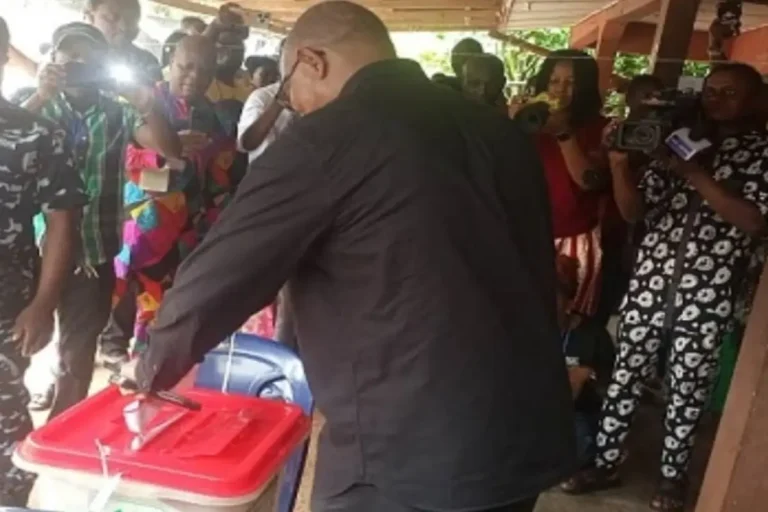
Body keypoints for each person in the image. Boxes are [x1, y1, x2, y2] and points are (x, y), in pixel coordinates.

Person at [131, 2, 577, 511]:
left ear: (311, 61)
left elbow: (222, 272)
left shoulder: (327, 139)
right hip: (524, 437)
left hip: (409, 452)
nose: (293, 105)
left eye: (288, 90)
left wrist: (151, 365)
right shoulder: (498, 131)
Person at [564, 63, 768, 512]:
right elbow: (635, 213)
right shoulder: (676, 141)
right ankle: (605, 463)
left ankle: (672, 481)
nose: (716, 99)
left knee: (687, 390)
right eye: (711, 91)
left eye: (730, 92)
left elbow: (755, 221)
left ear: (754, 101)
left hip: (709, 293)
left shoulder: (760, 153)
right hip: (649, 287)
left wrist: (695, 173)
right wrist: (620, 166)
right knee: (625, 378)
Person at [22, 22, 180, 418]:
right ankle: (22, 411)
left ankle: (58, 431)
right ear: (53, 58)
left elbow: (171, 151)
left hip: (92, 255)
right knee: (18, 344)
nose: (77, 62)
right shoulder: (35, 103)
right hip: (29, 252)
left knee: (77, 355)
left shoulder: (118, 113)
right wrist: (41, 97)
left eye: (88, 56)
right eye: (69, 54)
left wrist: (144, 100)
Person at [0, 16, 86, 505]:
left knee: (5, 424)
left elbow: (61, 222)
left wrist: (43, 302)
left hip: (7, 308)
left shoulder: (37, 133)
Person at [115, 35, 238, 355]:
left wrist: (216, 221)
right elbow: (121, 156)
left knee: (175, 305)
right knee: (141, 302)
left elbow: (219, 173)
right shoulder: (141, 102)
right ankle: (136, 364)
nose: (194, 77)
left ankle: (152, 366)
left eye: (204, 71)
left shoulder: (215, 116)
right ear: (170, 61)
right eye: (186, 67)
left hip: (192, 228)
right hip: (146, 223)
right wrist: (167, 150)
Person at [510, 49, 612, 317]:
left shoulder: (600, 127)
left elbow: (589, 182)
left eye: (571, 83)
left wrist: (563, 133)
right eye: (554, 81)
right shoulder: (531, 123)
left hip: (575, 239)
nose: (560, 90)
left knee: (568, 320)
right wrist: (509, 124)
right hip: (531, 235)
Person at [555, 255, 615, 468]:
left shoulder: (593, 335)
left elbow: (614, 389)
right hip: (538, 412)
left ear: (570, 301)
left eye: (555, 297)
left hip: (579, 413)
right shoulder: (529, 331)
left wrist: (587, 373)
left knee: (579, 443)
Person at [84, 0, 162, 85]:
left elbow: (155, 94)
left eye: (130, 21)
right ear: (91, 18)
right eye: (111, 18)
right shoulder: (76, 54)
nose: (123, 27)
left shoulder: (146, 62)